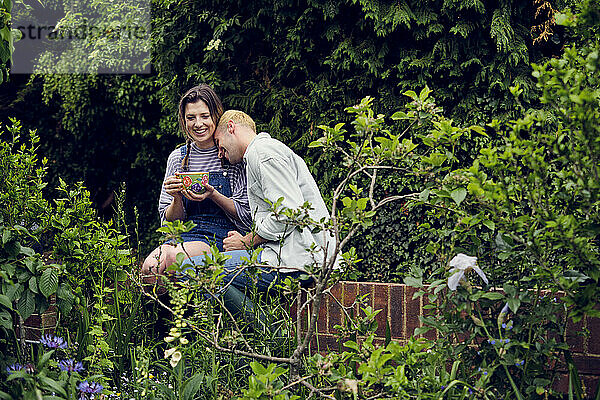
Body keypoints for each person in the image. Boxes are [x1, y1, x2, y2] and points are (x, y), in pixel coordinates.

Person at [186, 109, 336, 291]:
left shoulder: (263, 153)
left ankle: (259, 321)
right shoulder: (261, 153)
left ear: (231, 127)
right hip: (292, 258)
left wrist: (247, 241)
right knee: (203, 273)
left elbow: (289, 213)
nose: (219, 153)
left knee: (191, 268)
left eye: (219, 143)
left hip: (294, 262)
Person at [140, 85, 251, 286]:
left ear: (216, 116)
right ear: (184, 121)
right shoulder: (177, 158)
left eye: (205, 116)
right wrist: (176, 198)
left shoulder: (230, 154)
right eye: (191, 118)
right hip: (183, 234)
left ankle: (193, 315)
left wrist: (213, 194)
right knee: (150, 269)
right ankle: (169, 316)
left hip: (220, 236)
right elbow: (170, 222)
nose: (198, 124)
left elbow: (244, 214)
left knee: (176, 259)